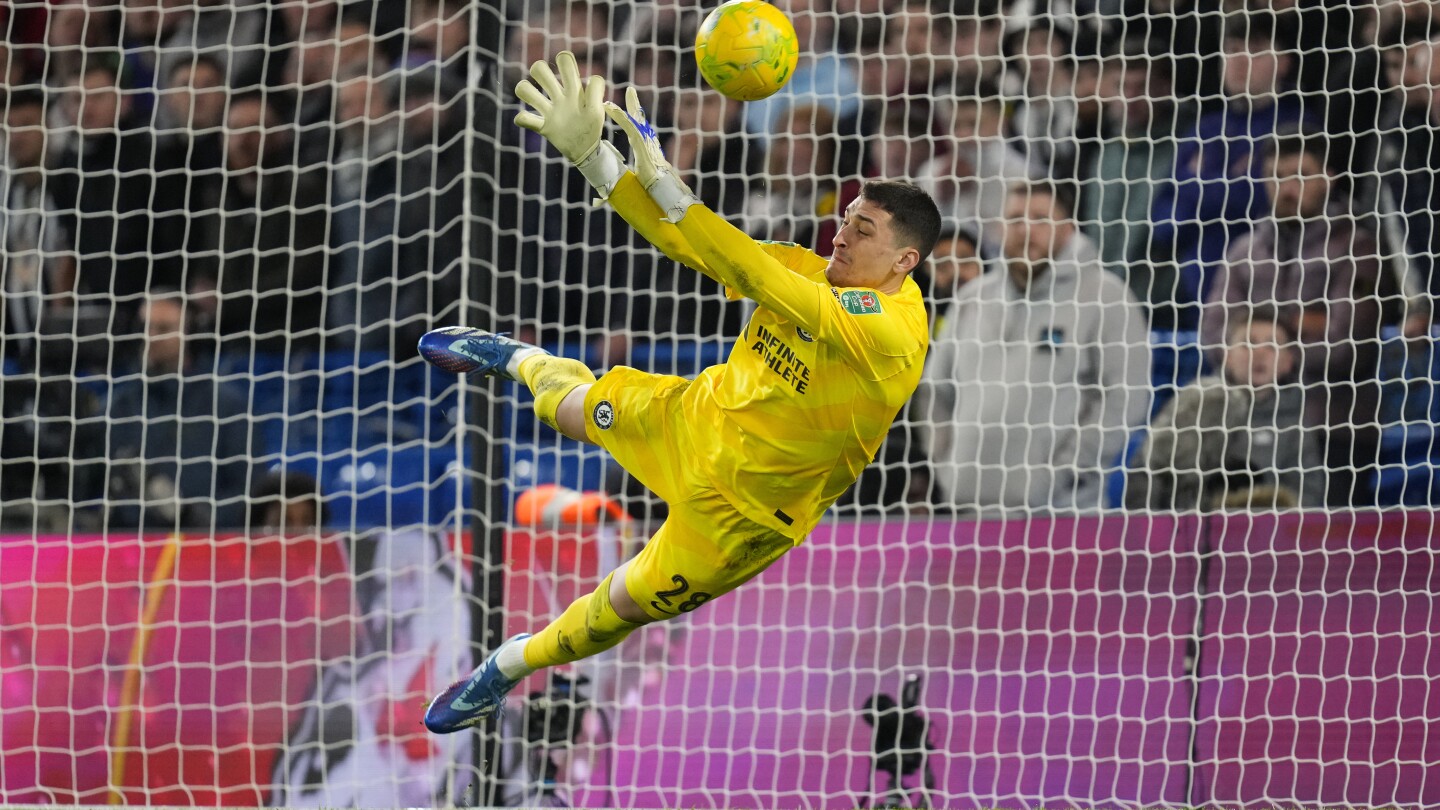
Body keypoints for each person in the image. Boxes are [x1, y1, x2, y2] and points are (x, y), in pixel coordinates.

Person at [417, 52, 940, 733]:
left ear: (904, 260)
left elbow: (747, 267)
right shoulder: (812, 268)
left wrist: (671, 182)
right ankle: (514, 357)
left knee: (622, 608)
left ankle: (508, 665)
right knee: (569, 409)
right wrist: (594, 160)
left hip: (745, 515)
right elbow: (690, 245)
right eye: (846, 219)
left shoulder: (893, 331)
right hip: (698, 417)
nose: (841, 233)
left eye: (862, 231)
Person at [918, 180, 1149, 513]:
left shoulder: (1106, 297)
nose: (1026, 230)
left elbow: (1125, 399)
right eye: (1015, 219)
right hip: (969, 515)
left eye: (1040, 218)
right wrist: (947, 468)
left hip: (1064, 518)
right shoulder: (972, 298)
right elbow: (934, 393)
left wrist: (1062, 475)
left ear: (1069, 228)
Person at [1128, 310, 1326, 511]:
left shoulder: (1296, 427)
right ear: (1227, 355)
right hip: (1186, 533)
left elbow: (1307, 498)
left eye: (1271, 346)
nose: (1259, 353)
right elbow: (1145, 470)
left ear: (1287, 362)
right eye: (1248, 343)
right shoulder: (1193, 405)